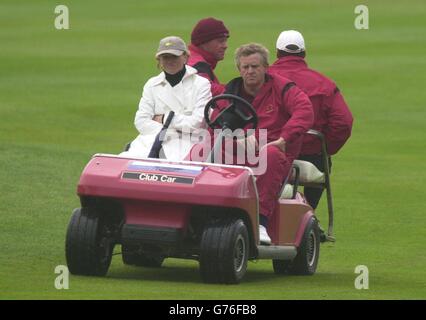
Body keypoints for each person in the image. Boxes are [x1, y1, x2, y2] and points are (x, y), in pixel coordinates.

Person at [191, 43, 314, 244]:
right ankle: (201, 212)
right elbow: (215, 124)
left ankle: (261, 222)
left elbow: (304, 111)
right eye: (245, 67)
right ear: (239, 69)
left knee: (271, 156)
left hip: (273, 149)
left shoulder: (283, 88)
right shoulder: (231, 91)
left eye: (255, 67)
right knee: (203, 149)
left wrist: (284, 139)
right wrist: (228, 141)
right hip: (238, 149)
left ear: (266, 67)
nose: (250, 71)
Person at [269, 30, 353, 209]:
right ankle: (308, 212)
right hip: (312, 155)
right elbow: (343, 123)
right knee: (323, 160)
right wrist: (324, 148)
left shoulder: (261, 78)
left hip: (270, 152)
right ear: (303, 54)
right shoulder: (324, 83)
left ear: (277, 53)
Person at [121, 36, 212, 161]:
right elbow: (141, 121)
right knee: (126, 165)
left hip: (189, 145)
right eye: (165, 57)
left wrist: (164, 118)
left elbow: (198, 123)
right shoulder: (151, 84)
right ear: (159, 60)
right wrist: (169, 131)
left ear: (185, 57)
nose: (170, 61)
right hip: (150, 141)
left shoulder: (201, 84)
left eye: (174, 56)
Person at [188, 17, 230, 96]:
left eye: (225, 41)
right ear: (203, 42)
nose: (225, 46)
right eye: (221, 41)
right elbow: (208, 90)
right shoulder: (197, 65)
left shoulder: (190, 58)